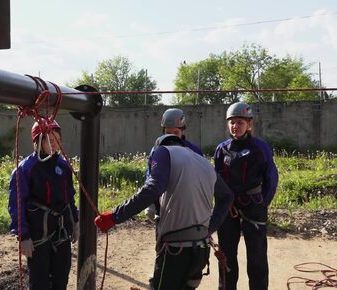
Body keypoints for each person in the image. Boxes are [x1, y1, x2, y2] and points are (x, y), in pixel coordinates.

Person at [94, 134, 234, 290]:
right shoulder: (204, 163)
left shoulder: (163, 152)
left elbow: (153, 188)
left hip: (176, 250)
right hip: (201, 249)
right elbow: (227, 196)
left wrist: (114, 216)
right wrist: (209, 228)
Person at [213, 102, 279, 290]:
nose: (235, 126)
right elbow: (216, 179)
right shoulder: (221, 149)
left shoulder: (260, 148)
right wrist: (221, 205)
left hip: (253, 206)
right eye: (232, 122)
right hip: (228, 208)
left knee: (257, 256)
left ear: (249, 124)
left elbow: (271, 178)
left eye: (240, 122)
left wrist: (262, 203)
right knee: (226, 254)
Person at [8, 119, 79, 290]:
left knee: (61, 277)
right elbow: (16, 204)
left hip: (61, 232)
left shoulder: (64, 166)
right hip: (38, 236)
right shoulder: (25, 169)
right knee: (39, 281)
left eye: (58, 140)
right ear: (38, 142)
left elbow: (69, 198)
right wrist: (23, 236)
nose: (55, 144)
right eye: (50, 140)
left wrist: (75, 222)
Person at [144, 108, 203, 222]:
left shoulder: (194, 151)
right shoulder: (156, 151)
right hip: (163, 204)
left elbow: (201, 180)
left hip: (188, 205)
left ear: (183, 131)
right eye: (168, 133)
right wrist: (150, 202)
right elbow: (151, 177)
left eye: (176, 133)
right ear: (163, 131)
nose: (172, 137)